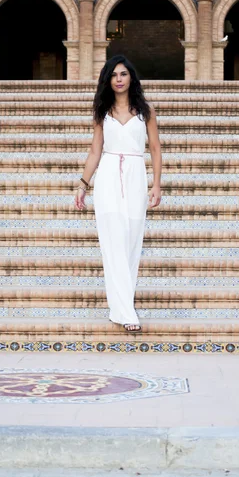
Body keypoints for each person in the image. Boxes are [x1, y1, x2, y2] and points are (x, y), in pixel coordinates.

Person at [75, 54, 162, 333]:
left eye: (123, 74)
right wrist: (82, 184)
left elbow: (156, 150)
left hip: (136, 175)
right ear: (108, 80)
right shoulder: (102, 111)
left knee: (130, 243)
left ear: (131, 77)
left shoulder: (145, 111)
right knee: (113, 243)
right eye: (114, 75)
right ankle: (127, 312)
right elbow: (95, 151)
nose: (119, 79)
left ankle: (119, 308)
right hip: (109, 177)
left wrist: (157, 184)